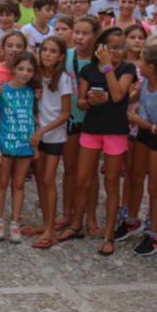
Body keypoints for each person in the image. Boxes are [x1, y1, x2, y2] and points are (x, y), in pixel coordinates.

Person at [59, 27, 137, 256]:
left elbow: (117, 95)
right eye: (113, 47)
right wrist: (91, 101)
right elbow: (81, 102)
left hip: (115, 131)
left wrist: (107, 67)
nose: (119, 51)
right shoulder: (88, 70)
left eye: (122, 47)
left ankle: (109, 234)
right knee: (82, 180)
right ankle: (76, 225)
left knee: (112, 183)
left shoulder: (127, 68)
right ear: (101, 47)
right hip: (91, 129)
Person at [123, 38, 157, 257]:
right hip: (144, 133)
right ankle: (131, 219)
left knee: (154, 187)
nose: (139, 65)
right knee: (135, 177)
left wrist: (141, 122)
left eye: (142, 62)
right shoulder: (146, 82)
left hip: (156, 138)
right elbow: (131, 99)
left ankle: (154, 233)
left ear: (152, 67)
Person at [0, 52, 39, 243]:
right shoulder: (2, 91)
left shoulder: (32, 92)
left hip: (25, 145)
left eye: (29, 70)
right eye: (21, 68)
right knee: (2, 183)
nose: (25, 73)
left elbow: (34, 119)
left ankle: (15, 222)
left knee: (19, 185)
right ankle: (0, 220)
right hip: (6, 143)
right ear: (13, 69)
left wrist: (35, 145)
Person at [60, 16, 100, 233]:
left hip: (93, 121)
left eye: (85, 33)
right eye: (77, 32)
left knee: (91, 173)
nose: (79, 37)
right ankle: (68, 213)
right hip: (70, 118)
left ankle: (90, 216)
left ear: (95, 36)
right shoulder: (65, 56)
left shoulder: (99, 60)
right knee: (69, 169)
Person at [32, 36, 71, 249]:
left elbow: (65, 114)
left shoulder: (63, 79)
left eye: (52, 51)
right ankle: (45, 223)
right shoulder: (36, 76)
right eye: (44, 50)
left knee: (48, 179)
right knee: (40, 179)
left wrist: (43, 130)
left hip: (54, 135)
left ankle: (50, 229)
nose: (47, 54)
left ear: (60, 56)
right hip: (39, 134)